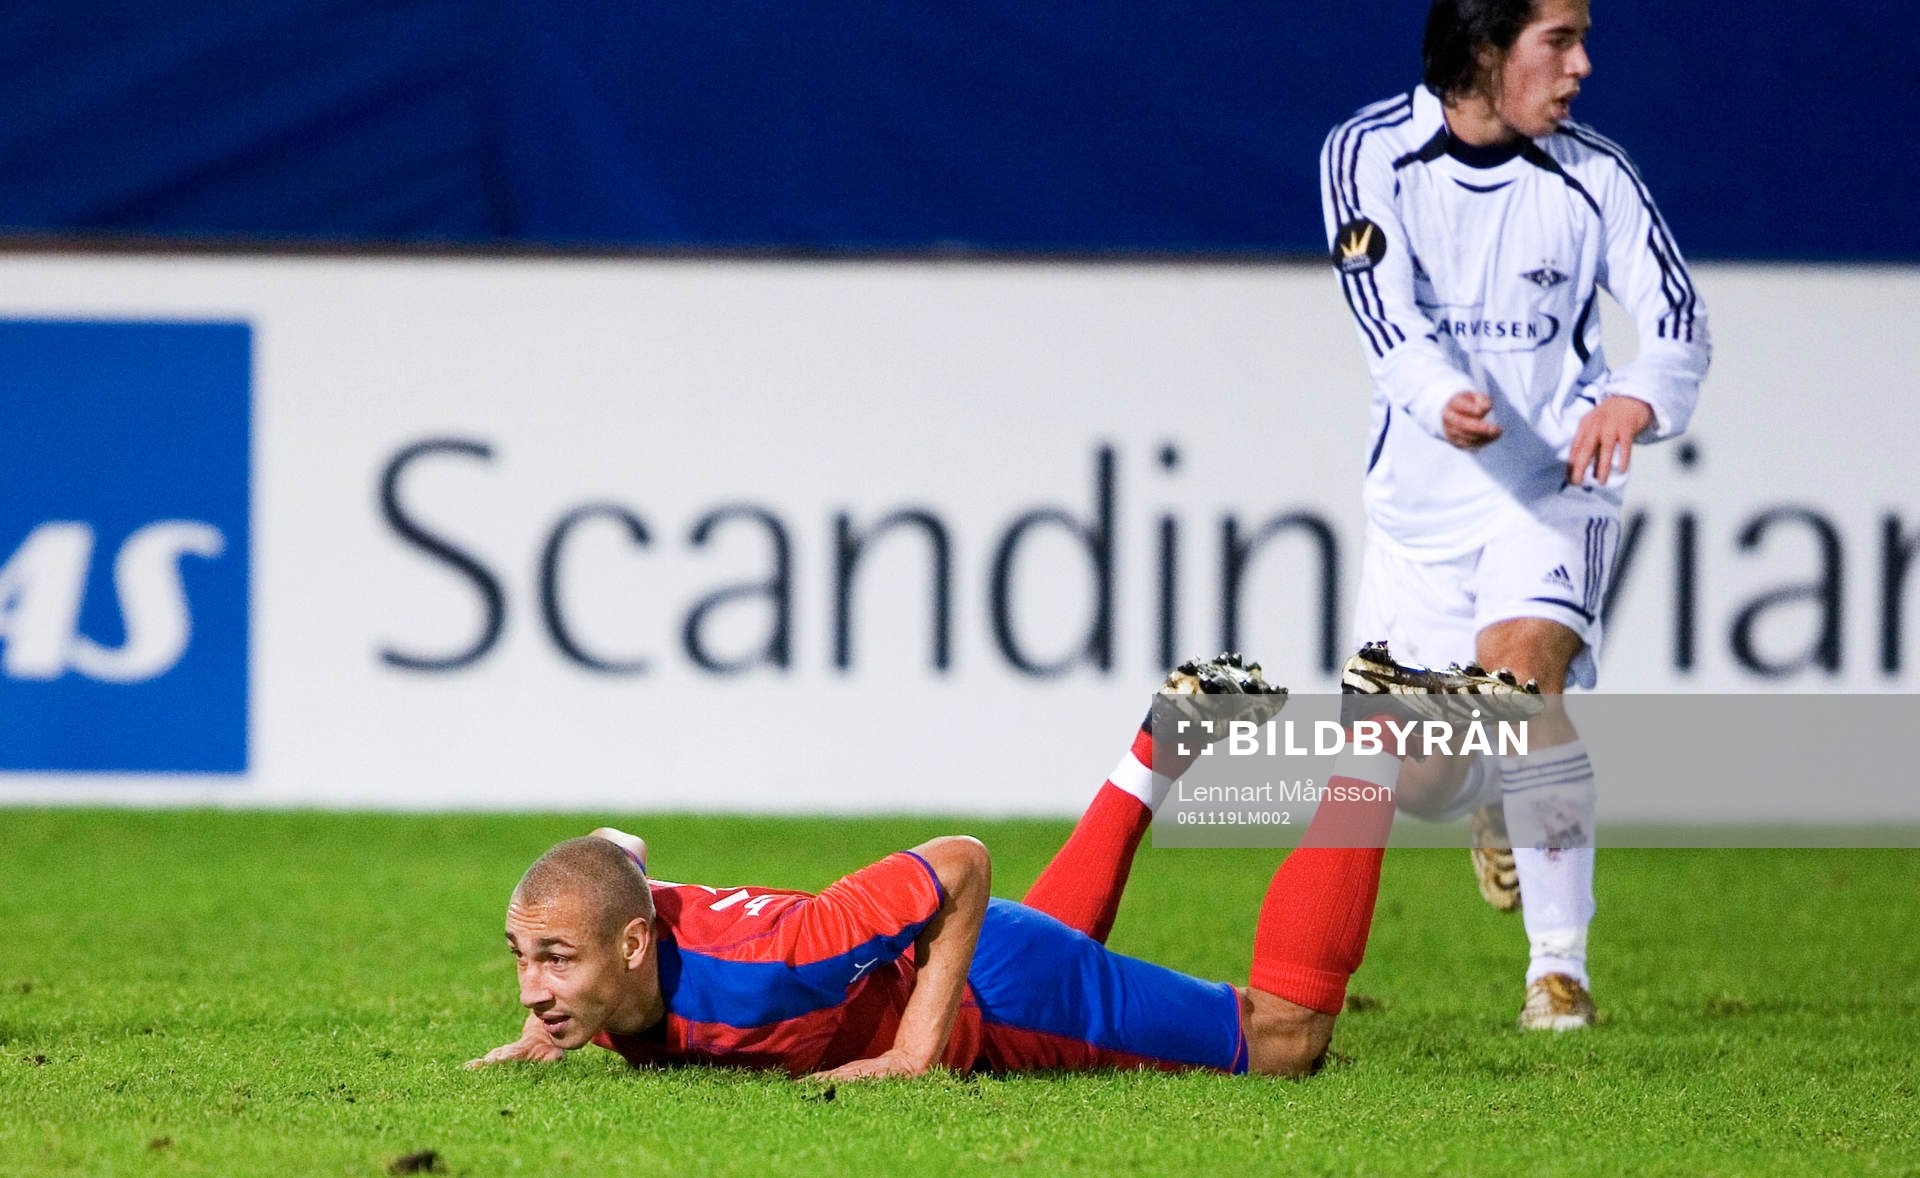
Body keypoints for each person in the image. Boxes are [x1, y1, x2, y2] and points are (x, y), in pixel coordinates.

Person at [469, 651, 1536, 1079]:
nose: (533, 980)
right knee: (1052, 944)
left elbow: (962, 862)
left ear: (636, 941)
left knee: (1286, 1042)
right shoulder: (612, 929)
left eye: (553, 959)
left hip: (991, 993)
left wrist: (916, 1050)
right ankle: (1164, 741)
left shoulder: (775, 961)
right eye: (526, 958)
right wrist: (555, 1007)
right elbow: (615, 851)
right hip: (976, 960)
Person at [1320, 0, 1710, 1029]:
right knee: (1419, 773)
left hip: (1552, 483)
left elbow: (1676, 321)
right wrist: (1433, 396)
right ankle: (1487, 788)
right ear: (1485, 50)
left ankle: (1557, 971)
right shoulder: (1367, 154)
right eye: (1560, 39)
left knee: (1521, 676)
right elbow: (1381, 316)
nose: (1582, 65)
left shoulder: (1596, 177)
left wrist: (1636, 398)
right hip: (1420, 508)